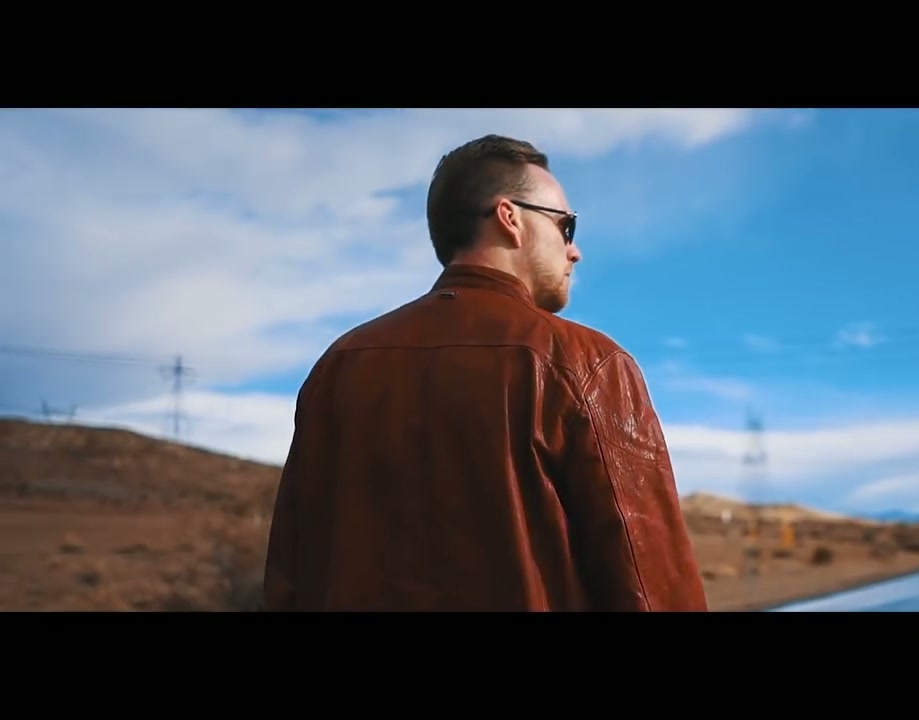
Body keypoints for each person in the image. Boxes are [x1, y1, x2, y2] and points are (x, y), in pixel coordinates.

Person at [262, 134, 708, 612]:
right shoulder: (584, 363)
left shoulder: (339, 366)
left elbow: (290, 576)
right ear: (510, 217)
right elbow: (651, 583)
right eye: (566, 226)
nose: (574, 250)